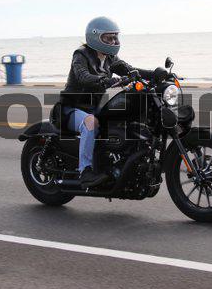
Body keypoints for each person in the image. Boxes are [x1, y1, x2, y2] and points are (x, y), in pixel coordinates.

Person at [60, 16, 153, 186]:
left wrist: (156, 74)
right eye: (108, 38)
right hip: (70, 108)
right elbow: (83, 76)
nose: (113, 42)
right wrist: (107, 80)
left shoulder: (110, 58)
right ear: (95, 37)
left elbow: (131, 70)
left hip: (94, 107)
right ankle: (85, 171)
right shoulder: (81, 54)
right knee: (90, 123)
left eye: (115, 37)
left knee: (122, 119)